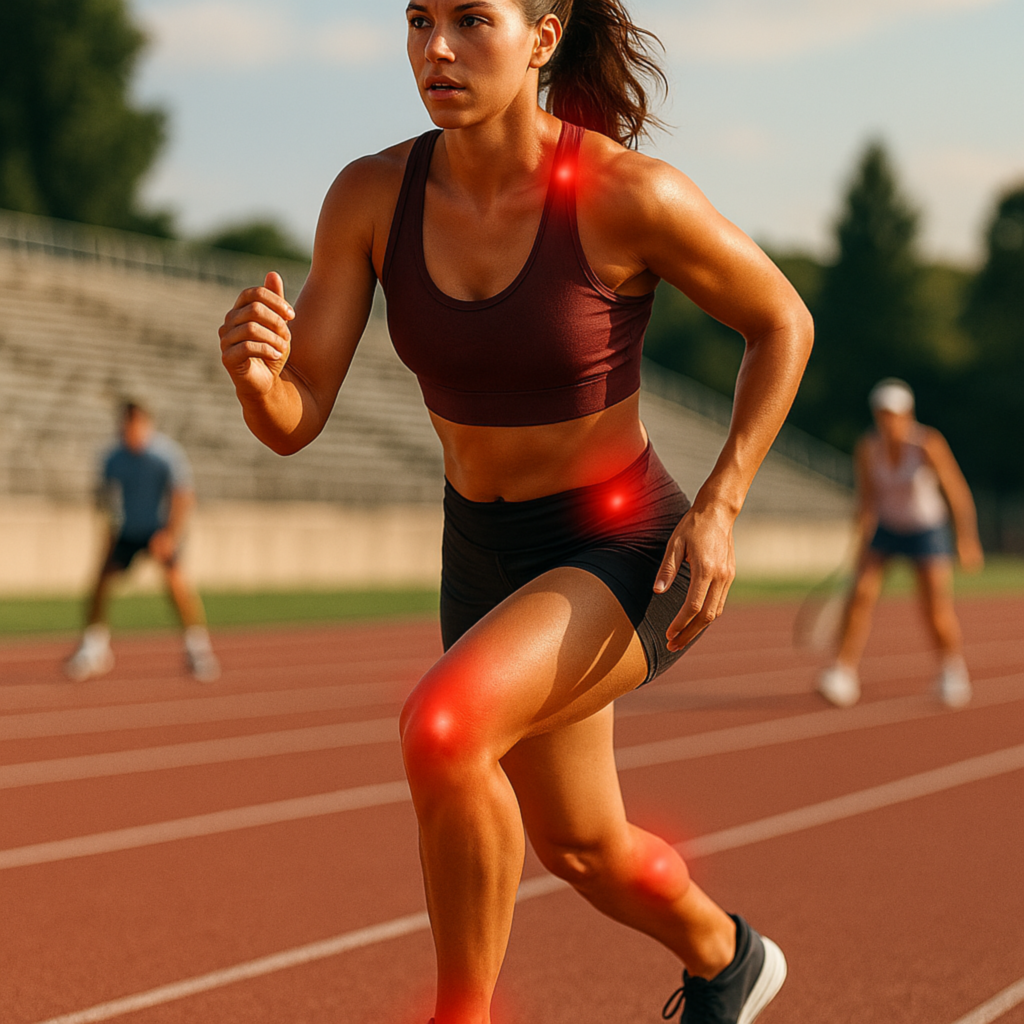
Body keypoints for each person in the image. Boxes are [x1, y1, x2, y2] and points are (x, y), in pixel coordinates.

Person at [218, 2, 812, 1021]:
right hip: (483, 549)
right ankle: (728, 958)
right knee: (580, 844)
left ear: (541, 38)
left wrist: (721, 502)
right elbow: (295, 417)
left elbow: (780, 320)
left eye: (469, 20)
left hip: (621, 543)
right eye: (416, 20)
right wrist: (255, 376)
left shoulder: (625, 196)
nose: (433, 49)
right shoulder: (370, 195)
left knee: (442, 729)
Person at [818, 378, 984, 709]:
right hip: (888, 528)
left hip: (927, 529)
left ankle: (951, 670)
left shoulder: (927, 445)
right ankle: (843, 672)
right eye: (882, 414)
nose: (888, 420)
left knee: (934, 606)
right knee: (861, 595)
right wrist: (861, 539)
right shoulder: (868, 448)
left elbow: (956, 492)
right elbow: (866, 500)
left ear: (907, 414)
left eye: (894, 414)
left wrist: (967, 539)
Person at [64, 401, 220, 683]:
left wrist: (170, 535)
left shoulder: (165, 455)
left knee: (176, 583)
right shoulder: (113, 458)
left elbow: (183, 496)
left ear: (146, 425)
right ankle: (94, 646)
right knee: (101, 581)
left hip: (159, 530)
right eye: (125, 426)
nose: (129, 431)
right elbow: (106, 500)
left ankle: (197, 648)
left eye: (134, 425)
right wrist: (109, 534)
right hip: (127, 530)